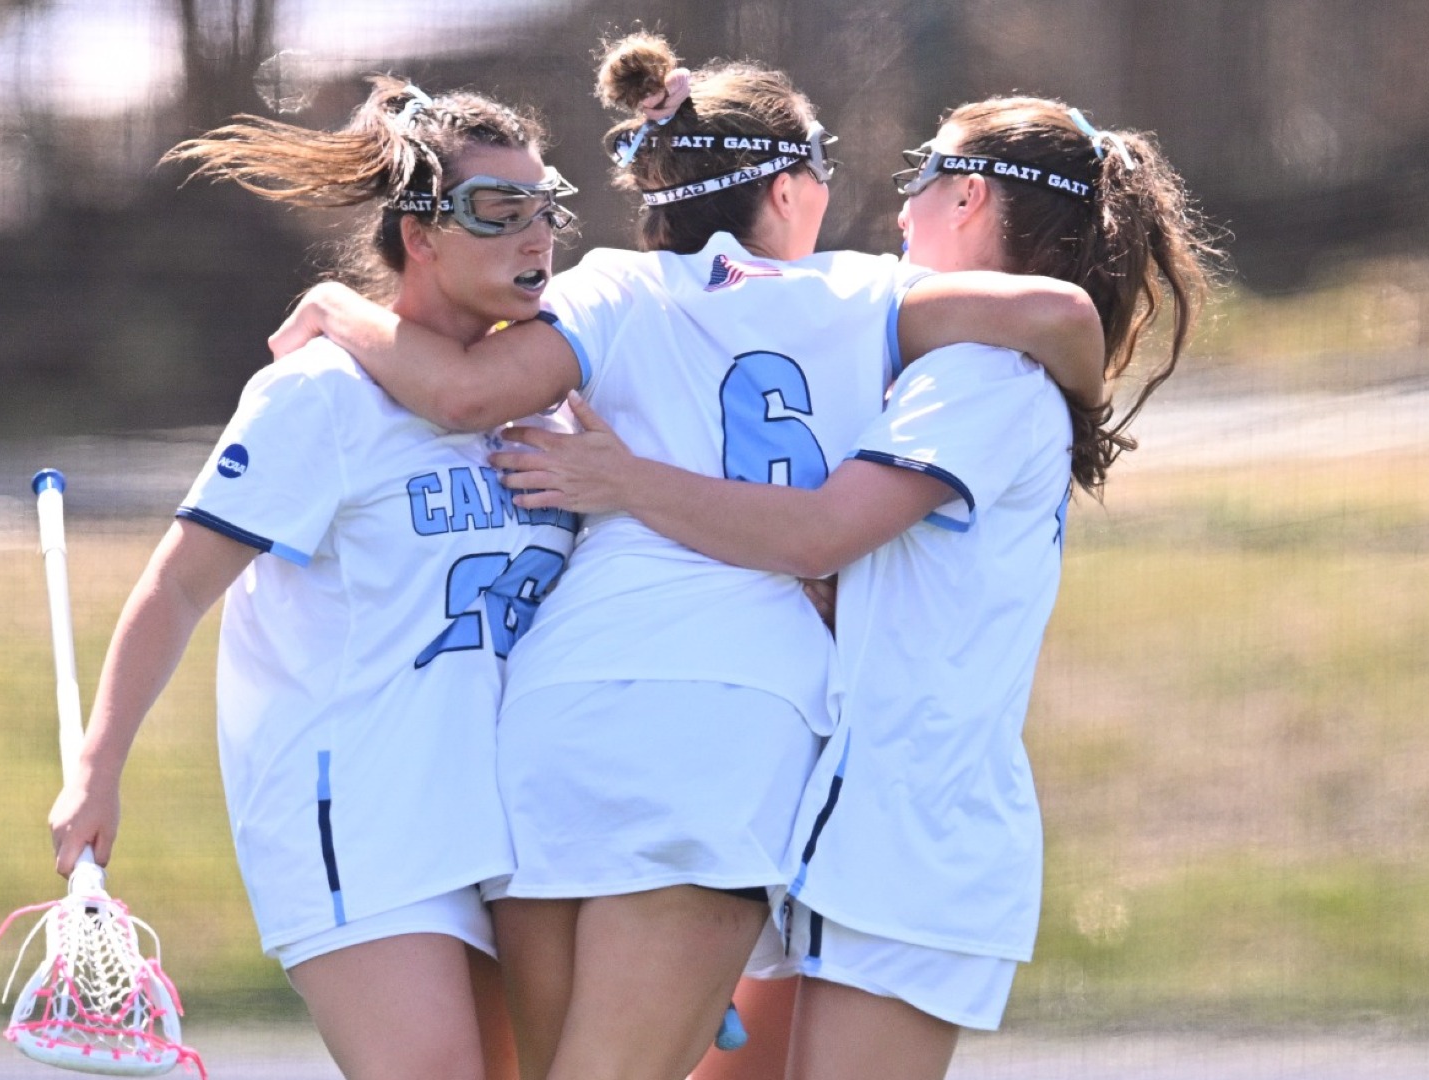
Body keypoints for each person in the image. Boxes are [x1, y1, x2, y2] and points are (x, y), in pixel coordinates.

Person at [265, 35, 1108, 1080]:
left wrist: (344, 308)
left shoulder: (610, 285)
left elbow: (463, 392)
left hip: (553, 709)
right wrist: (1092, 398)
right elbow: (1062, 313)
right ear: (792, 189)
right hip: (729, 714)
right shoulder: (859, 295)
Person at [487, 97, 1219, 1080]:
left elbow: (822, 529)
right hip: (851, 816)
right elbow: (862, 567)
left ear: (967, 196)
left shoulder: (987, 375)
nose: (900, 199)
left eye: (922, 172)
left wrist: (621, 482)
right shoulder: (951, 363)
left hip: (914, 825)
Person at [44, 78, 584, 1080]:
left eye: (545, 206)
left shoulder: (546, 407)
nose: (535, 237)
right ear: (420, 236)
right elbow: (177, 587)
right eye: (497, 214)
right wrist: (97, 766)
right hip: (361, 819)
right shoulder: (318, 395)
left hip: (510, 827)